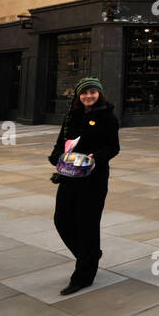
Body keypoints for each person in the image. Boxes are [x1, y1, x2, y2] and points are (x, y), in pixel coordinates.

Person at [48, 77, 120, 295]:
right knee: (62, 219)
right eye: (84, 93)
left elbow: (113, 147)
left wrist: (95, 157)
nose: (88, 96)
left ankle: (83, 276)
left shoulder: (108, 116)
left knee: (87, 224)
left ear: (99, 94)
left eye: (92, 92)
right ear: (79, 96)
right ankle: (89, 255)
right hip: (70, 176)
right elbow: (62, 141)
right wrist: (56, 157)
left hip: (93, 178)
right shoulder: (72, 114)